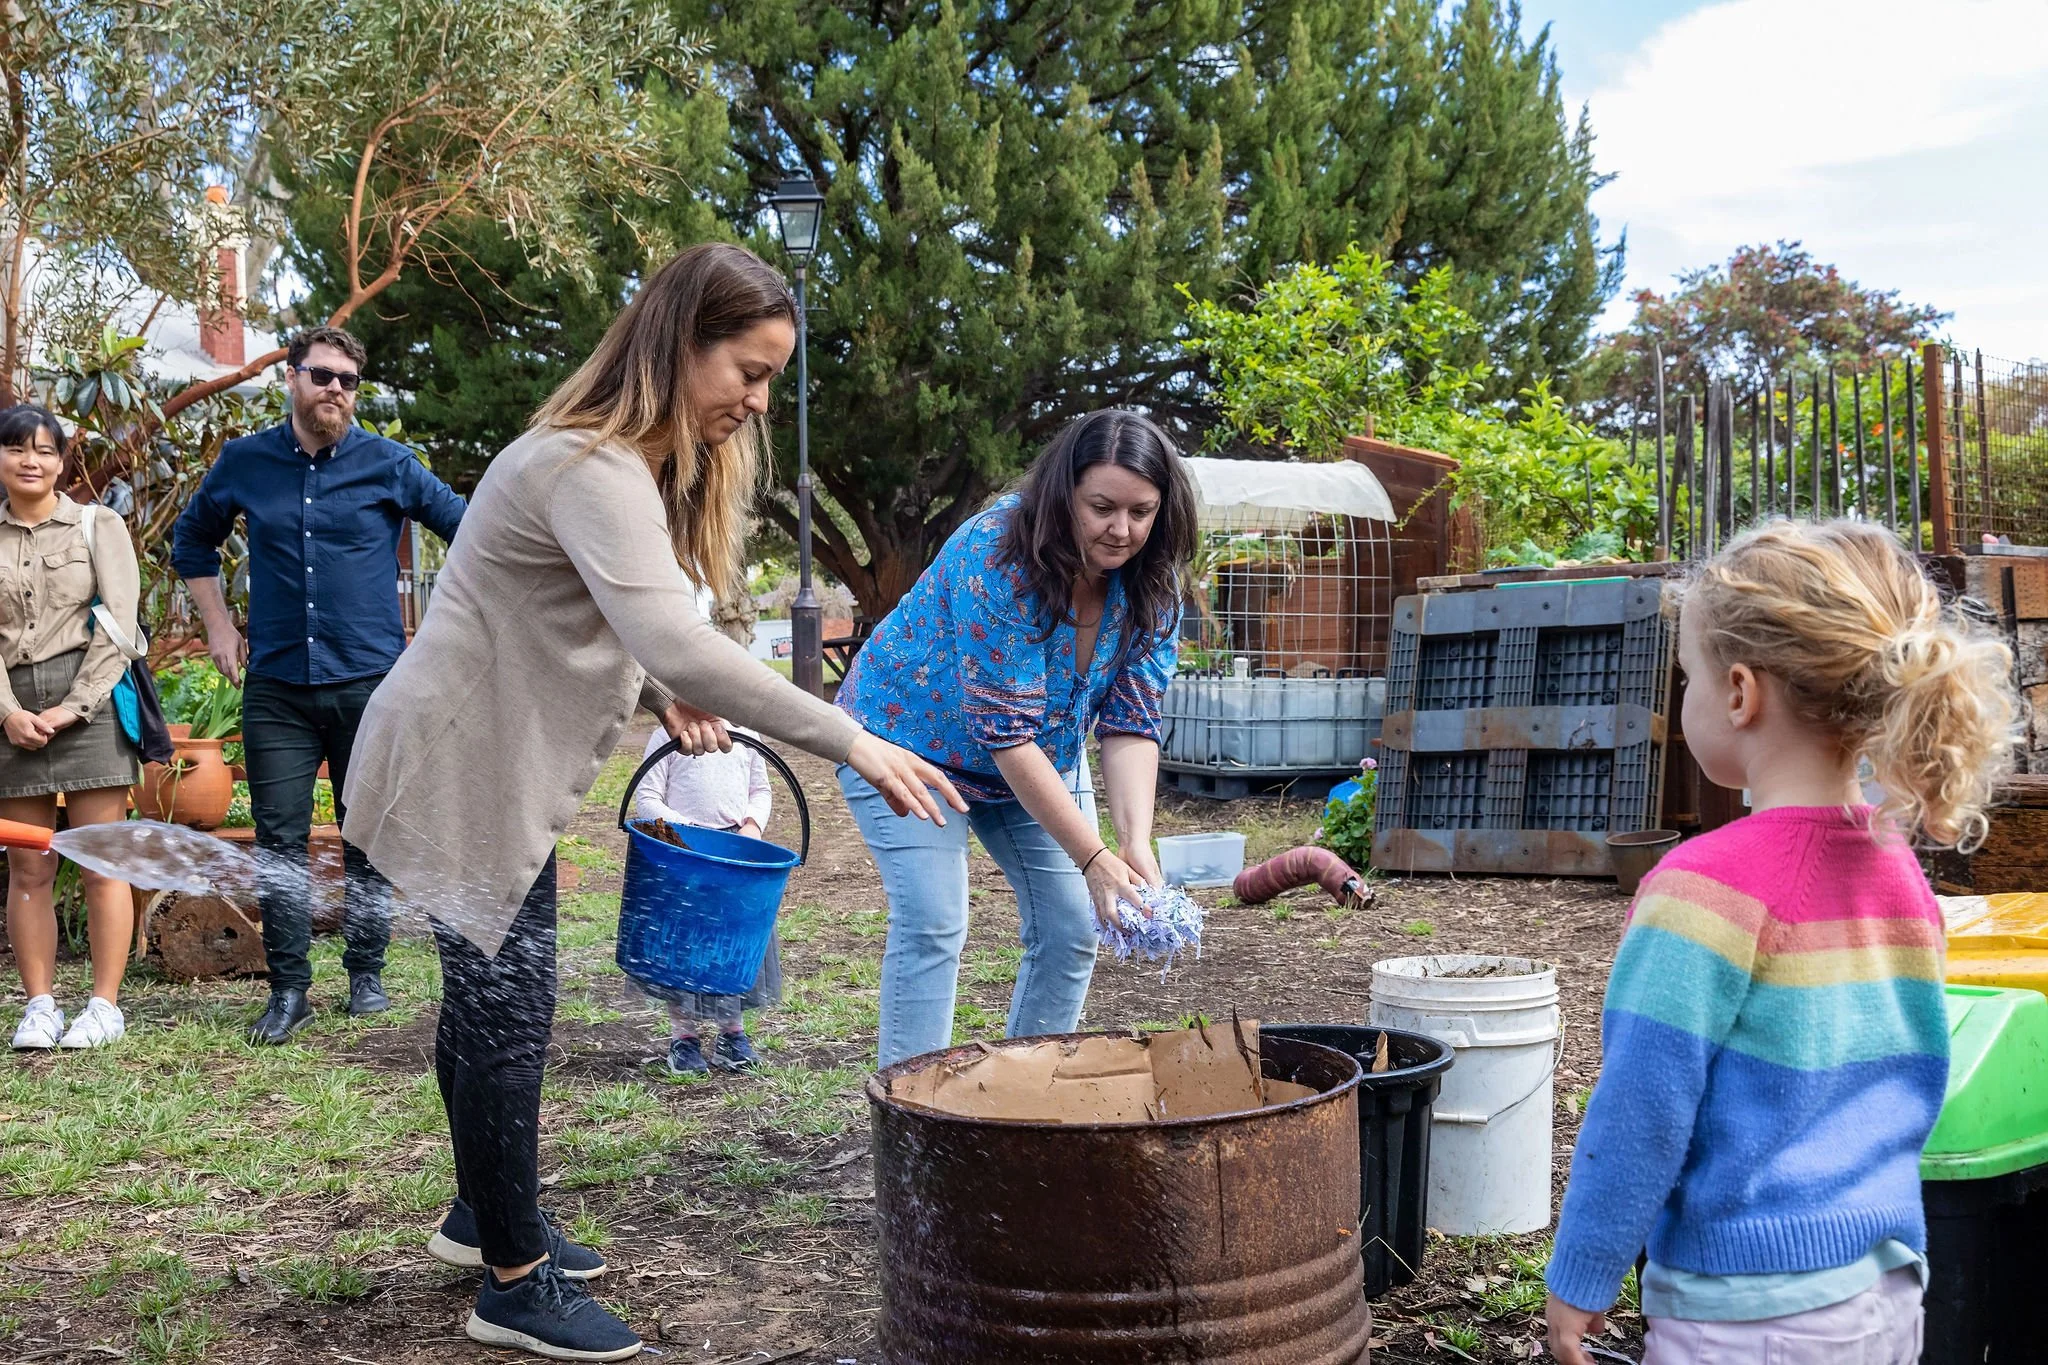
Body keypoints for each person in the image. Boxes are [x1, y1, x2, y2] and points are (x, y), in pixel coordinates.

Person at [340, 242, 963, 1362]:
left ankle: (488, 1216)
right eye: (747, 370)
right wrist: (852, 741)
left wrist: (669, 682)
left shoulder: (610, 466)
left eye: (773, 378)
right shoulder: (586, 463)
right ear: (679, 344)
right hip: (455, 761)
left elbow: (633, 626)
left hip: (477, 758)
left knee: (495, 999)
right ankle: (513, 1283)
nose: (757, 401)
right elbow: (669, 631)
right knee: (503, 1012)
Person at [1544, 521, 2016, 1365]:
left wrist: (1583, 1273)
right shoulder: (1900, 871)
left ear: (1737, 693)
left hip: (1747, 1314)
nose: (1682, 696)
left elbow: (1642, 1110)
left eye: (1684, 676)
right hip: (1886, 1291)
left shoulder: (1701, 890)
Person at [835, 408, 1197, 1069]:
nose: (1121, 530)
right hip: (906, 745)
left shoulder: (1153, 584)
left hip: (1037, 757)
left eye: (1140, 511)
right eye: (1102, 507)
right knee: (935, 923)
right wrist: (1092, 855)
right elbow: (1006, 734)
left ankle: (1024, 1098)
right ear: (1065, 493)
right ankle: (917, 1120)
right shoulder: (996, 554)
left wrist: (1133, 842)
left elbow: (1131, 722)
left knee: (1070, 928)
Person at [171, 325, 467, 1044]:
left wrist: (447, 633)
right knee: (279, 839)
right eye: (323, 375)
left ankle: (366, 974)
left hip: (371, 683)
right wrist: (216, 626)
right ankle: (289, 989)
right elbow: (192, 539)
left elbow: (471, 530)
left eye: (348, 380)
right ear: (292, 379)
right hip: (275, 684)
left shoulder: (389, 464)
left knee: (366, 831)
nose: (336, 389)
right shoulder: (245, 462)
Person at [0, 405, 142, 1050]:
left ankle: (104, 1006)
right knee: (28, 866)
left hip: (88, 699)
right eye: (16, 449)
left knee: (99, 861)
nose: (31, 461)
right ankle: (39, 1006)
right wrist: (8, 711)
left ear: (62, 461)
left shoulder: (95, 524)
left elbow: (120, 625)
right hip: (9, 707)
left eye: (45, 451)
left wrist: (72, 707)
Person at [630, 722, 778, 1075]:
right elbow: (646, 797)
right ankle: (683, 1038)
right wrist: (686, 830)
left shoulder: (747, 736)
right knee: (685, 946)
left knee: (729, 944)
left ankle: (731, 1035)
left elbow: (761, 790)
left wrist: (752, 825)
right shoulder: (669, 733)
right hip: (682, 848)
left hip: (733, 850)